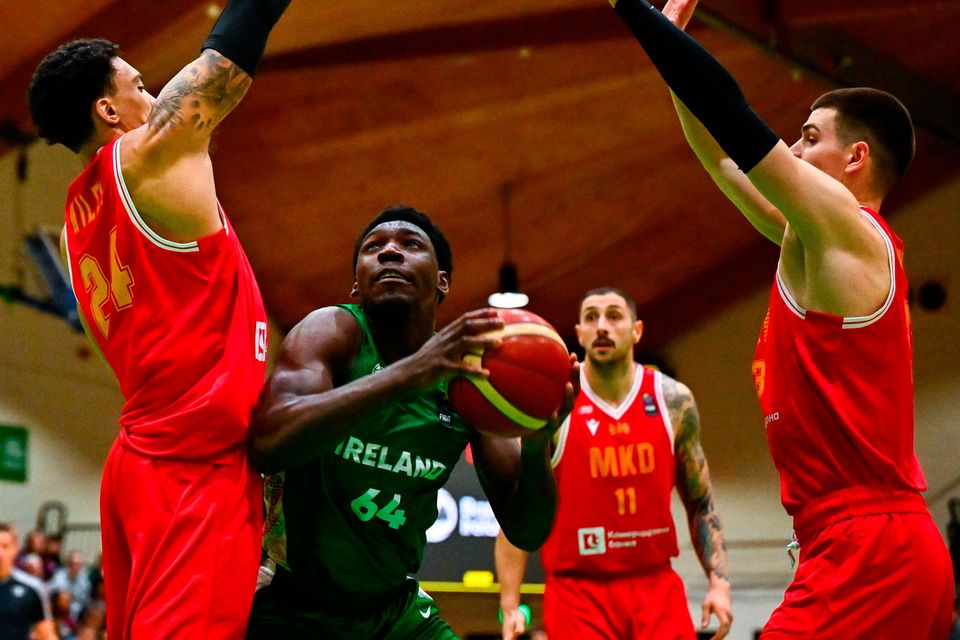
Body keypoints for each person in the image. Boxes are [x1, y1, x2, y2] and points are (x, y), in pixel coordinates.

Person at [609, 0, 954, 636]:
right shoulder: (813, 242)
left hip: (868, 548)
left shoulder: (849, 231)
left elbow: (735, 122)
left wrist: (635, 13)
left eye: (809, 138)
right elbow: (721, 156)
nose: (792, 150)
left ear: (855, 159)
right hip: (856, 543)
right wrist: (669, 48)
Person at [26, 0, 293, 637]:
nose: (153, 95)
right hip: (192, 464)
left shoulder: (74, 224)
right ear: (108, 110)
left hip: (140, 462)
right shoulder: (147, 157)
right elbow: (228, 53)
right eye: (140, 86)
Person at [246, 205, 568, 639]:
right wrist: (412, 372)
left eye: (410, 245)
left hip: (393, 611)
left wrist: (535, 446)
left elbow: (527, 531)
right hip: (292, 604)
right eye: (374, 247)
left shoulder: (467, 381)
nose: (390, 252)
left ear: (442, 281)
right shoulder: (332, 331)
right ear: (356, 284)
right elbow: (269, 441)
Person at [496, 287, 732, 640]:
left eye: (614, 316)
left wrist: (719, 582)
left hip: (655, 586)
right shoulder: (554, 404)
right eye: (591, 317)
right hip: (577, 592)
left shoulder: (673, 400)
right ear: (578, 334)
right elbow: (519, 513)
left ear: (636, 330)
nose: (602, 326)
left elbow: (700, 502)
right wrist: (510, 604)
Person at [0, 523, 56, 640]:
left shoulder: (33, 587)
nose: (0, 553)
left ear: (15, 549)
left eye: (5, 546)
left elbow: (46, 635)